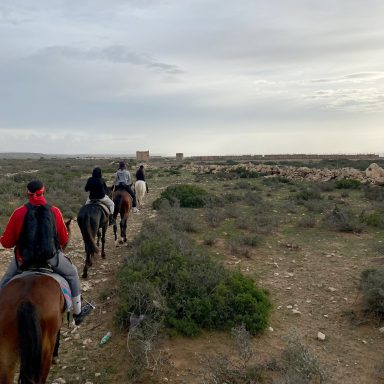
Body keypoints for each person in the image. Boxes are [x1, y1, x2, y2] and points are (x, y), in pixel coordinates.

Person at [0, 180, 91, 325]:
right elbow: (63, 238)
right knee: (72, 273)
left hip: (24, 260)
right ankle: (78, 313)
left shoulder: (18, 213)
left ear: (27, 193)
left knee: (5, 280)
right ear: (44, 191)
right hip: (51, 258)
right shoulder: (54, 211)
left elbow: (6, 243)